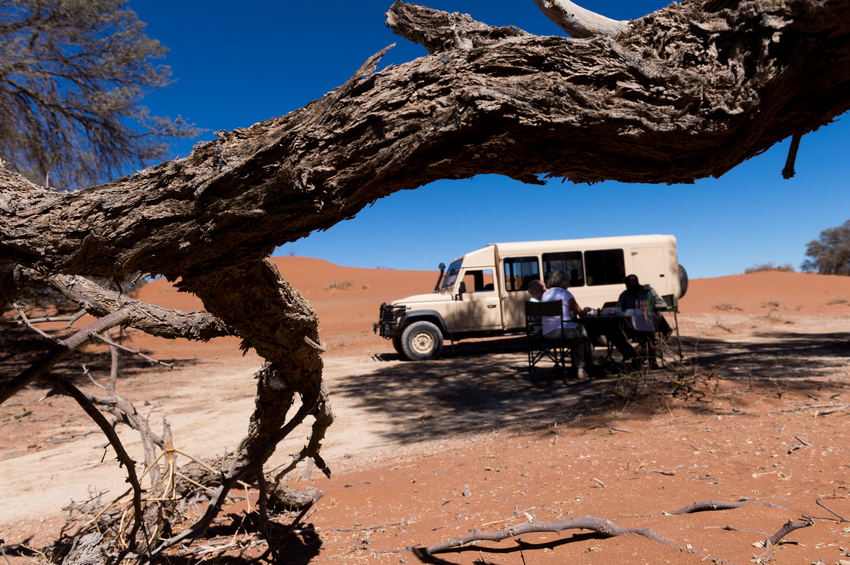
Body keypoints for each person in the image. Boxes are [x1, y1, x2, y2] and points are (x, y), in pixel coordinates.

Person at [541, 270, 591, 379]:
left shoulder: (545, 294)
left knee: (578, 330)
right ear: (564, 281)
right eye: (568, 281)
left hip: (547, 333)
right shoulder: (566, 293)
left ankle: (593, 356)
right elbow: (582, 315)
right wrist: (586, 310)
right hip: (563, 331)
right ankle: (581, 367)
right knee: (579, 337)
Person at [617, 274, 672, 362]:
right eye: (627, 284)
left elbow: (662, 304)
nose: (628, 286)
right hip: (632, 325)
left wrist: (649, 306)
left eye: (631, 283)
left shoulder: (648, 291)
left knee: (648, 329)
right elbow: (619, 309)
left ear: (637, 282)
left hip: (647, 322)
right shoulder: (624, 295)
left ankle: (650, 358)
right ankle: (635, 355)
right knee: (616, 332)